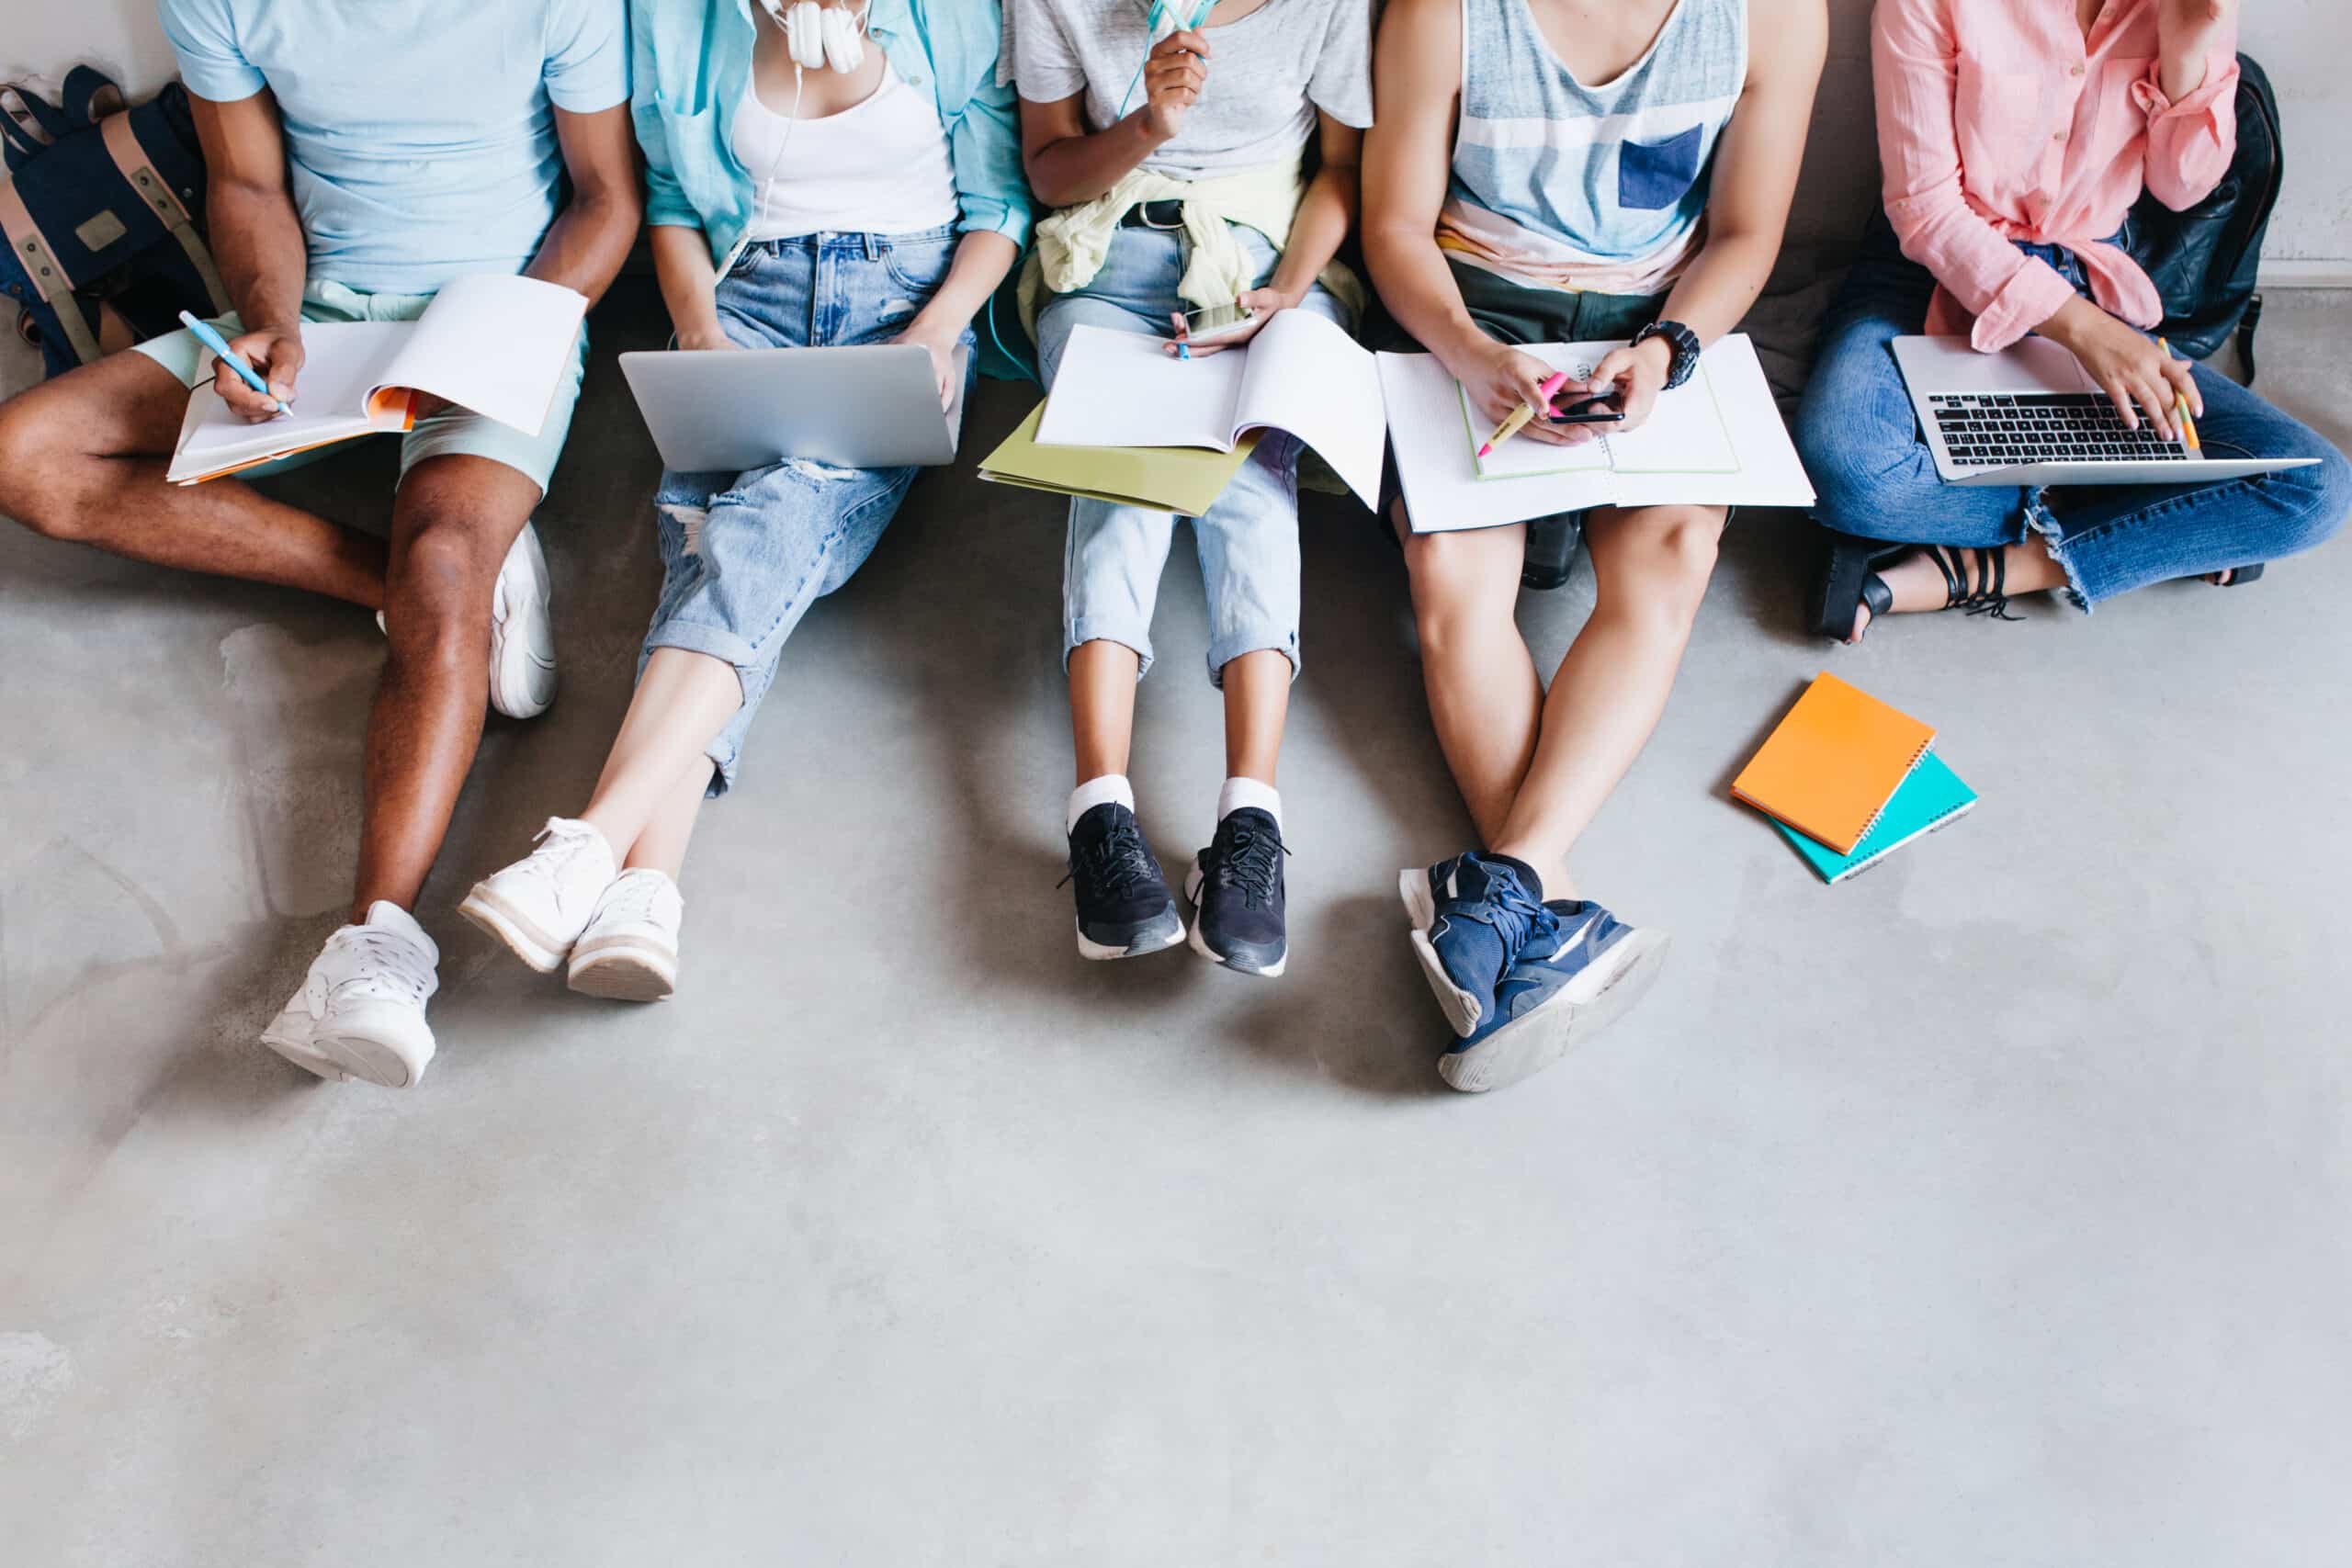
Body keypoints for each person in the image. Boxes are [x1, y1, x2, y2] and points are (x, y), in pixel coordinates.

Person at [0, 0, 639, 1088]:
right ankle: (420, 587)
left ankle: (377, 946)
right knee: (25, 454)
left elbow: (603, 201)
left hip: (505, 313)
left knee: (444, 552)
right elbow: (246, 187)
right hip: (330, 319)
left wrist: (510, 330)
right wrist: (272, 324)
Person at [460, 0, 1029, 1001]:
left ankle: (589, 840)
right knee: (706, 543)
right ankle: (644, 892)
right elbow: (675, 203)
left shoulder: (950, 17)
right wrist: (702, 334)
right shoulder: (680, 19)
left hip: (899, 307)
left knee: (768, 526)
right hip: (743, 297)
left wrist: (939, 330)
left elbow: (1000, 208)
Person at [1363, 0, 1826, 1090]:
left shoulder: (1774, 16)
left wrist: (1668, 350)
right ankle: (1549, 907)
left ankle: (1507, 887)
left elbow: (1748, 232)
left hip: (1657, 323)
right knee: (1451, 571)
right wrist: (1473, 352)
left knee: (1674, 559)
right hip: (1467, 311)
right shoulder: (1445, 14)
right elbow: (1393, 228)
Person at [1795, 0, 2351, 643]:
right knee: (1850, 472)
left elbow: (2182, 189)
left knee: (2316, 487)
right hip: (1931, 272)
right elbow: (1925, 212)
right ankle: (2168, 524)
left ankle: (1987, 569)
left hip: (2089, 280)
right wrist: (2087, 333)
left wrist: (2188, 50)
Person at [1011, 0, 1375, 979]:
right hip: (1104, 263)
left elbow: (1340, 171)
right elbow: (1047, 169)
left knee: (1254, 488)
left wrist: (1289, 293)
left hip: (1265, 264)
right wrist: (1145, 127)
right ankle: (1100, 809)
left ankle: (1249, 817)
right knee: (1121, 493)